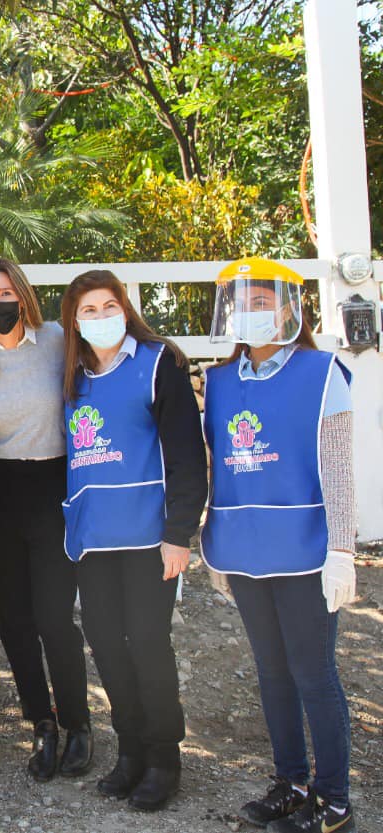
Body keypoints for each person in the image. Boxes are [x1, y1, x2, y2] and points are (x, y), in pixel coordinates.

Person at [201, 258, 357, 833]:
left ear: (290, 309)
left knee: (313, 674)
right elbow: (220, 469)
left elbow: (337, 468)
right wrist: (213, 540)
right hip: (244, 553)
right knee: (271, 672)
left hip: (306, 552)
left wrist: (343, 551)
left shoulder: (322, 372)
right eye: (242, 302)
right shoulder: (219, 382)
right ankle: (290, 783)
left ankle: (334, 802)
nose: (250, 312)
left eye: (262, 302)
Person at [59, 269, 207, 811]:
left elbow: (186, 455)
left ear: (125, 308)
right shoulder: (71, 376)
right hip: (94, 538)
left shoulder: (158, 362)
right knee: (105, 643)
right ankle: (130, 750)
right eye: (88, 310)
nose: (100, 317)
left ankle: (164, 757)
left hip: (149, 537)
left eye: (109, 306)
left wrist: (179, 533)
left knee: (147, 643)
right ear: (75, 321)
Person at [0, 259, 93, 783]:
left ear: (24, 295)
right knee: (14, 620)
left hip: (53, 486)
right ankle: (43, 722)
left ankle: (79, 723)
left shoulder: (57, 340)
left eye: (5, 292)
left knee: (54, 617)